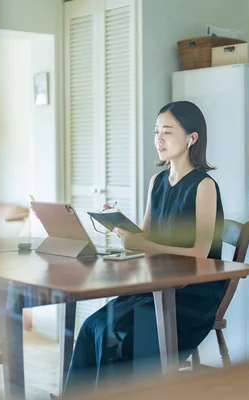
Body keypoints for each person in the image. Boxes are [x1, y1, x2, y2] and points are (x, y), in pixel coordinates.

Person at [63, 100, 226, 397]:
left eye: (167, 132)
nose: (159, 140)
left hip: (191, 292)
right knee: (92, 327)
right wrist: (125, 236)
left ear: (192, 138)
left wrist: (143, 244)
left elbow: (201, 253)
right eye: (156, 132)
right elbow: (147, 239)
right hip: (154, 285)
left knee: (126, 336)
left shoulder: (204, 186)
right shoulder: (157, 182)